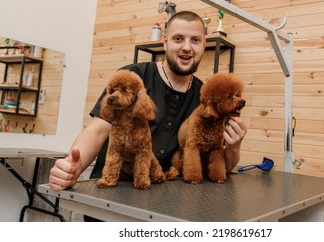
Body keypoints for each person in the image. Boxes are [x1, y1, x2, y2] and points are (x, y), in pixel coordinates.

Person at [49, 11, 247, 191]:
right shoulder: (134, 76)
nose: (187, 47)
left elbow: (221, 161)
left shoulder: (205, 96)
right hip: (113, 190)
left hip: (160, 193)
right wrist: (73, 166)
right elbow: (98, 129)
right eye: (178, 39)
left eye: (195, 40)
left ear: (203, 45)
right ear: (165, 42)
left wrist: (234, 147)